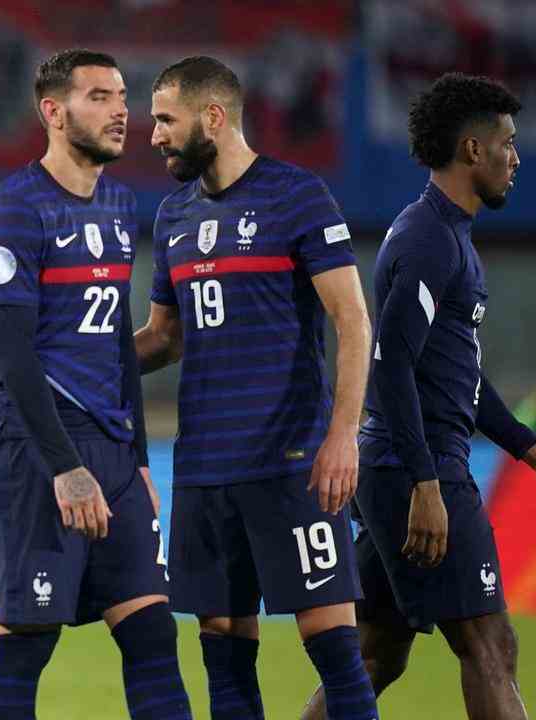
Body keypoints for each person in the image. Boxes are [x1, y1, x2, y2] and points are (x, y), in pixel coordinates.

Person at [300, 73, 536, 720]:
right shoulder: (429, 240)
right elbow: (391, 366)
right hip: (419, 469)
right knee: (491, 644)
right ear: (471, 151)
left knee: (378, 653)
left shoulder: (449, 237)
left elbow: (456, 378)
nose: (515, 159)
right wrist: (427, 484)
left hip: (399, 468)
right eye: (507, 145)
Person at [137, 56, 377, 720]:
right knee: (223, 655)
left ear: (213, 117)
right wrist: (81, 363)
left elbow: (353, 320)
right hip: (206, 470)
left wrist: (342, 438)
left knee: (334, 652)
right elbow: (164, 336)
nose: (152, 135)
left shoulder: (297, 196)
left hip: (293, 463)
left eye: (165, 119)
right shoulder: (173, 214)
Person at [0, 49, 193, 720]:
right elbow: (10, 355)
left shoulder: (122, 205)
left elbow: (116, 344)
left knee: (154, 634)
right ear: (53, 111)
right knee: (28, 644)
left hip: (112, 455)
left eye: (122, 95)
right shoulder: (16, 209)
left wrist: (140, 460)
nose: (121, 109)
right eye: (98, 96)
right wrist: (64, 468)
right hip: (34, 451)